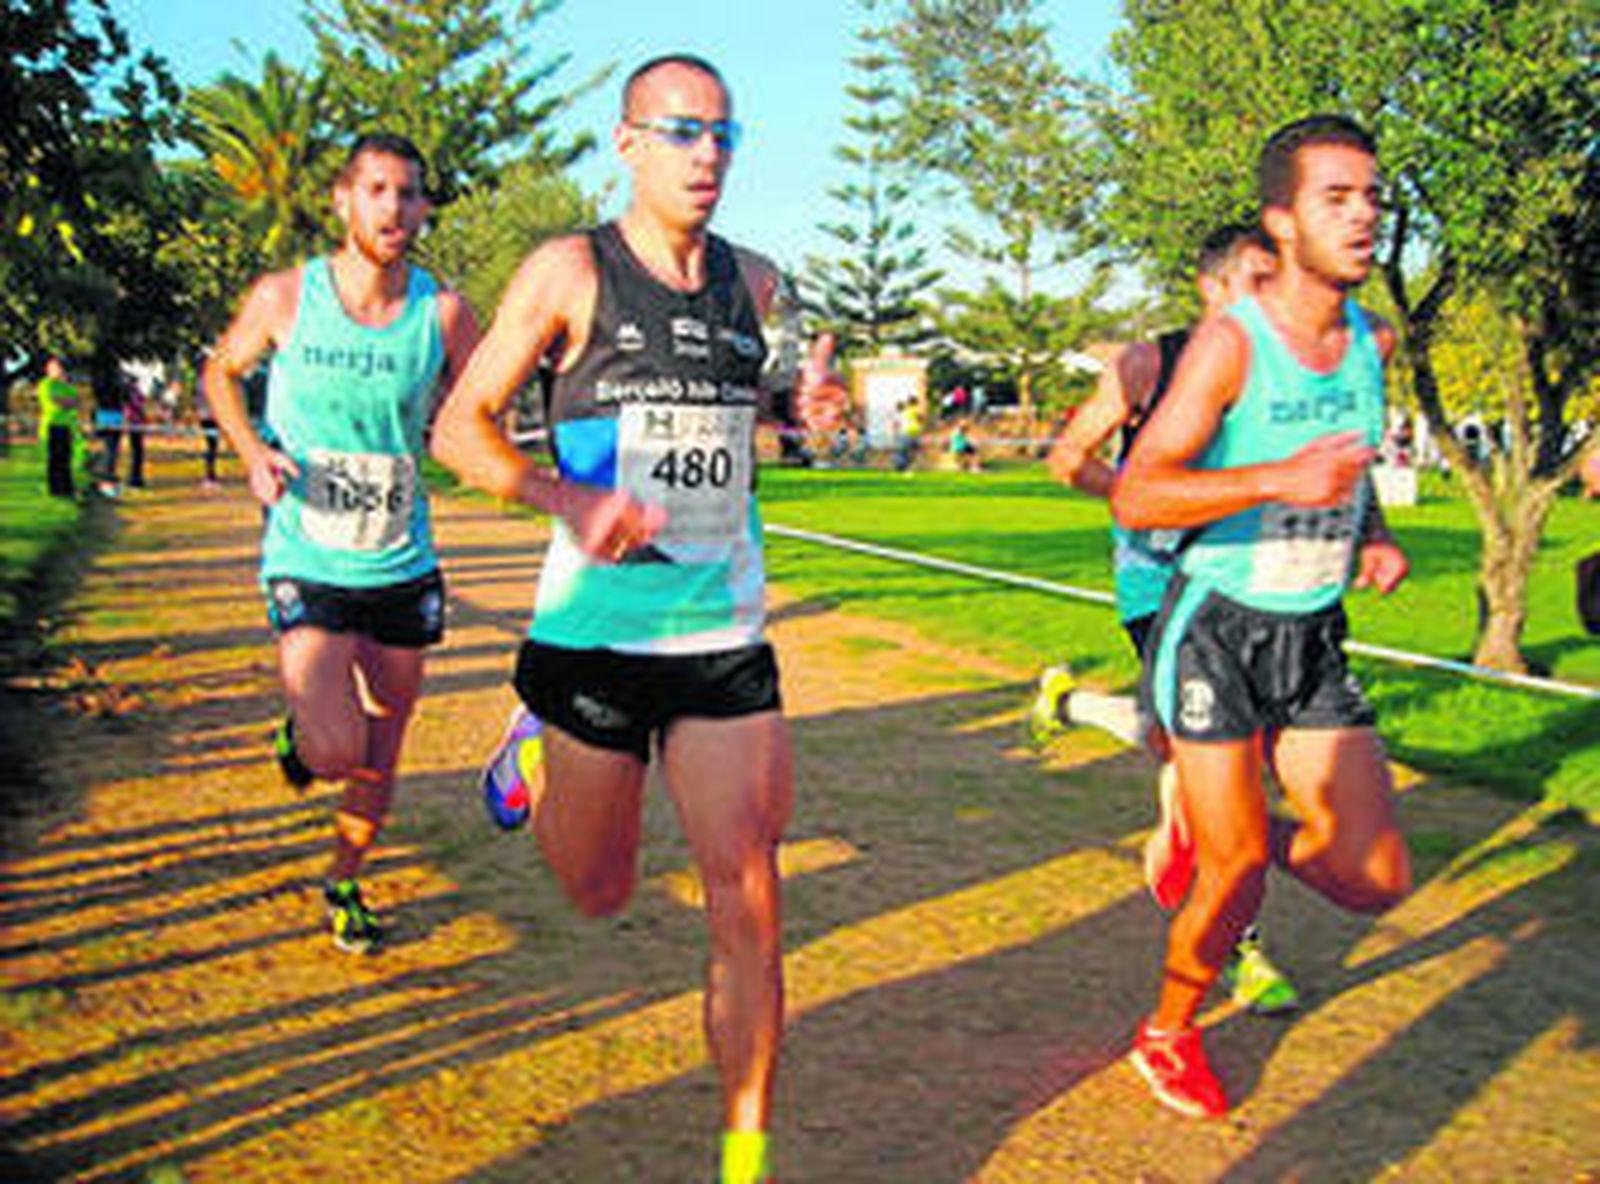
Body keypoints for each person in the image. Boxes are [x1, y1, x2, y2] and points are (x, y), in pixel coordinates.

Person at [429, 55, 845, 1184]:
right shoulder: (570, 270)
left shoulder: (756, 282)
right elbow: (461, 430)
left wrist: (801, 411)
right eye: (681, 133)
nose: (707, 155)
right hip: (594, 639)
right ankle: (534, 733)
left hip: (722, 639)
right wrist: (564, 496)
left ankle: (745, 1151)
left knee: (750, 889)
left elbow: (761, 411)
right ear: (627, 144)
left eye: (723, 134)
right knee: (597, 888)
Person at [1110, 114, 1413, 1119]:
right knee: (1236, 871)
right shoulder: (1229, 343)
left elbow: (1349, 463)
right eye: (1338, 197)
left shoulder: (1373, 338)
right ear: (1281, 221)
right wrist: (1275, 475)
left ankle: (1216, 836)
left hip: (1311, 631)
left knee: (1372, 875)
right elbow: (1138, 495)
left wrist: (1365, 529)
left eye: (1372, 194)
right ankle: (1167, 1030)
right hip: (1217, 627)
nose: (1365, 213)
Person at [203, 131, 480, 955]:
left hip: (400, 555)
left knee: (382, 746)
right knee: (336, 747)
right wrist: (253, 452)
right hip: (308, 551)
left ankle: (344, 880)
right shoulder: (286, 298)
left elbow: (483, 401)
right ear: (344, 200)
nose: (393, 208)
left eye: (408, 194)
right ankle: (303, 730)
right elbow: (221, 372)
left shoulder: (444, 312)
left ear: (425, 208)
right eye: (377, 190)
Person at [1035, 222, 1298, 1016]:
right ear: (1210, 289)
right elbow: (1067, 454)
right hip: (1160, 587)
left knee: (1209, 753)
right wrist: (1136, 499)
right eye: (1255, 282)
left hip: (1253, 587)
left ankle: (1077, 710)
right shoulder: (1151, 362)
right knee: (1226, 768)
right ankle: (1242, 954)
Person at [36, 356, 80, 498]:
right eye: (55, 367)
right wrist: (65, 402)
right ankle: (55, 490)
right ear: (49, 369)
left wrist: (65, 402)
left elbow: (74, 401)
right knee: (55, 460)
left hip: (67, 426)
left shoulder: (67, 386)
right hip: (52, 425)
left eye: (60, 367)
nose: (59, 370)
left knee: (66, 458)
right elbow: (53, 402)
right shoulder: (46, 384)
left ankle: (66, 488)